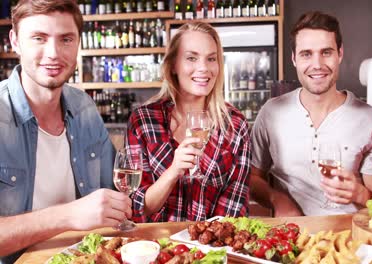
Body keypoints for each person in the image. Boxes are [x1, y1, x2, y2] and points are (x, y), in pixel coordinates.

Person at [0, 0, 131, 261]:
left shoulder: (84, 108)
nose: (54, 53)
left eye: (66, 39)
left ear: (78, 43)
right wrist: (69, 215)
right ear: (15, 41)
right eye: (39, 38)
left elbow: (113, 196)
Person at [250, 11, 372, 216]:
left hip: (348, 238)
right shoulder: (271, 112)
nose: (317, 64)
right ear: (294, 59)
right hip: (291, 235)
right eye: (306, 54)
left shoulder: (370, 120)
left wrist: (361, 194)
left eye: (326, 52)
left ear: (340, 54)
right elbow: (252, 178)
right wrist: (277, 199)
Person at [126, 21, 251, 222]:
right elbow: (136, 209)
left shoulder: (235, 125)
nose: (203, 68)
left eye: (211, 59)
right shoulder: (144, 121)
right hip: (156, 248)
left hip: (212, 249)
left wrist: (202, 247)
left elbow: (234, 209)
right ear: (173, 65)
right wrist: (174, 171)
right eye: (192, 58)